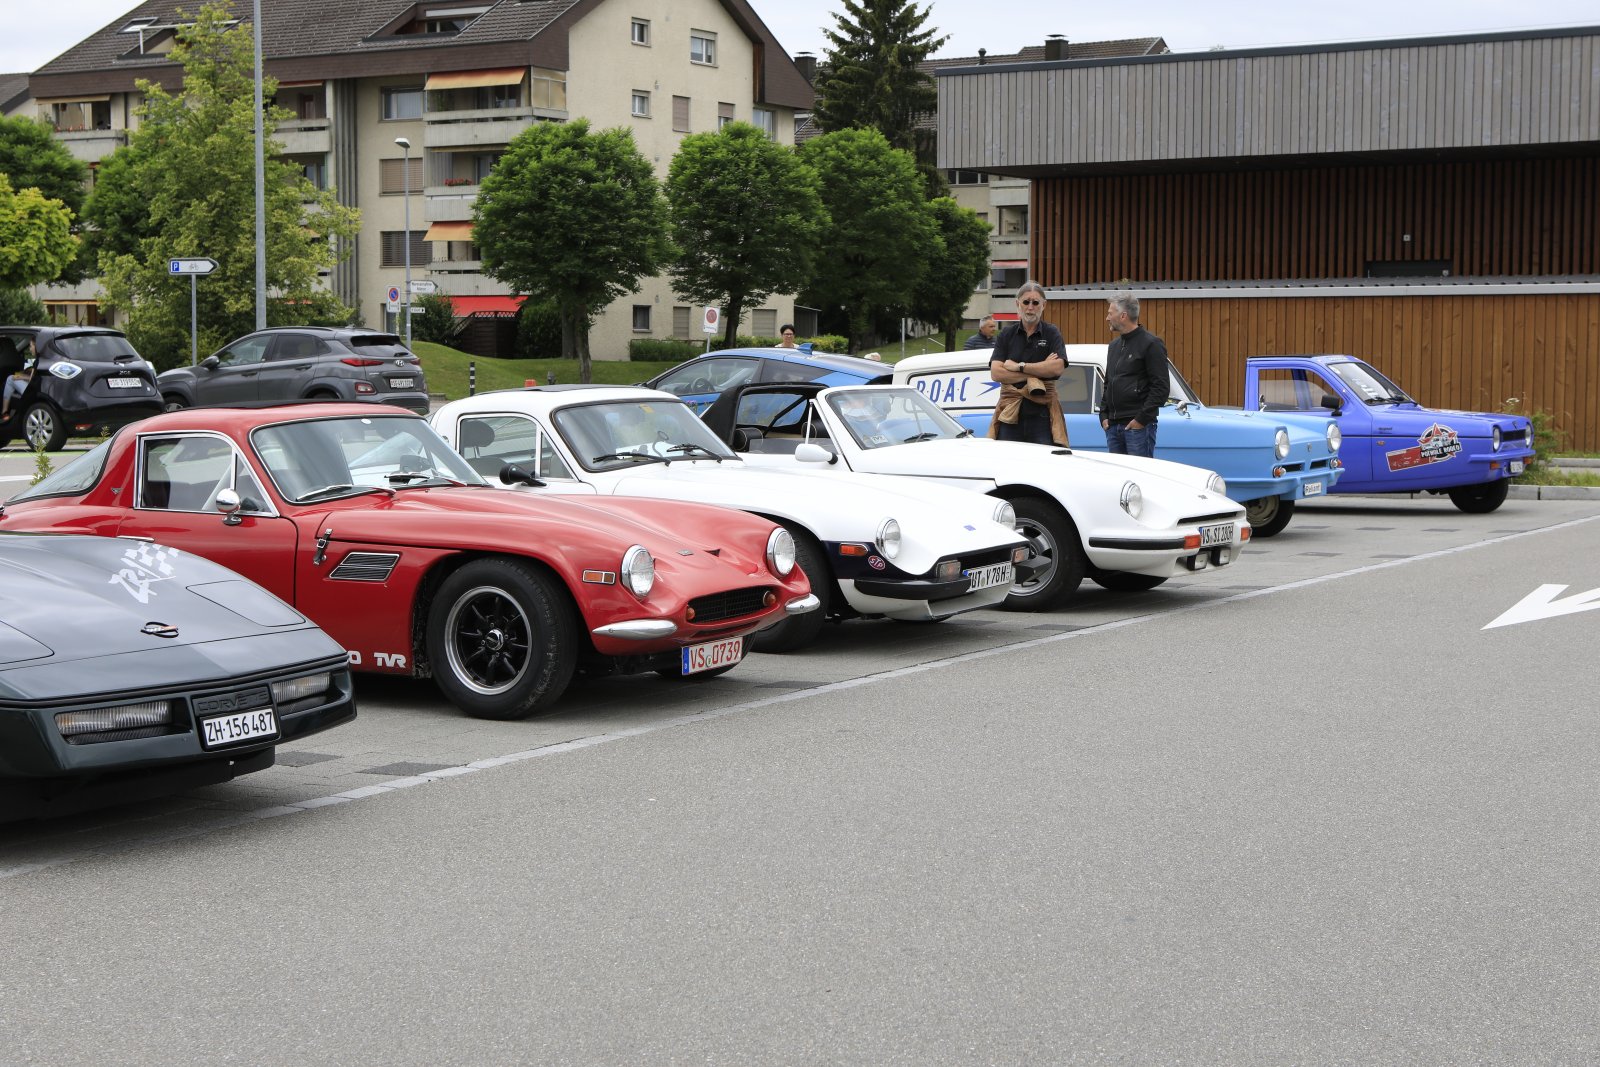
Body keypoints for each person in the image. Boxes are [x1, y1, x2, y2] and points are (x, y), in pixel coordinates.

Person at [987, 282, 1069, 447]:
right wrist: (1041, 369)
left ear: (1044, 305)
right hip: (1009, 413)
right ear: (1018, 304)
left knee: (1043, 461)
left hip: (1042, 416)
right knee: (1007, 461)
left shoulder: (1052, 332)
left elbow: (1057, 368)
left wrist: (1020, 366)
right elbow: (996, 373)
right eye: (1026, 302)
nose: (1030, 307)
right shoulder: (1006, 334)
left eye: (1035, 302)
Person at [1100, 291, 1168, 458]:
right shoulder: (1114, 346)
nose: (1107, 318)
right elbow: (1108, 383)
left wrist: (1140, 420)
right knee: (1117, 474)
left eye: (1110, 313)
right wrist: (1103, 415)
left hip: (1138, 428)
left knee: (1139, 474)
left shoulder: (1151, 344)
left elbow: (1161, 388)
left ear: (1123, 315)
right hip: (1113, 427)